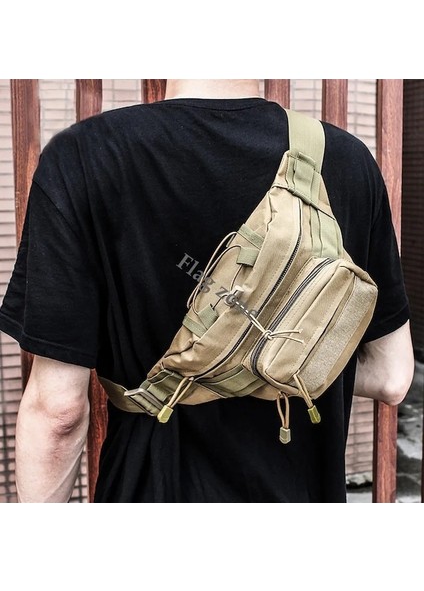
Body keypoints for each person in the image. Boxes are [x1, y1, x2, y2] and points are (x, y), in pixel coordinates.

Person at [0, 79, 415, 503]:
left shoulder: (85, 156)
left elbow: (59, 412)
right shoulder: (347, 160)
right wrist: (287, 359)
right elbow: (391, 376)